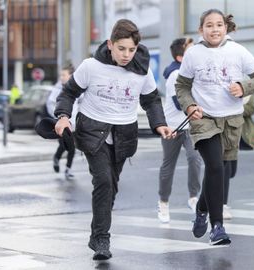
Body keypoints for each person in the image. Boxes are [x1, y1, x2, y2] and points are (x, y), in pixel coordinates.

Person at [54, 19, 174, 260]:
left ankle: (98, 230)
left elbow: (150, 100)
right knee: (104, 182)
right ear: (110, 44)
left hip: (124, 134)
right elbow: (68, 92)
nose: (126, 55)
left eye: (131, 49)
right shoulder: (91, 66)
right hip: (91, 132)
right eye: (121, 49)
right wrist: (63, 116)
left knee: (111, 186)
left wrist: (159, 124)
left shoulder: (142, 70)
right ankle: (101, 238)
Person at [176, 9, 254, 246]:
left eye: (219, 25)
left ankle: (201, 209)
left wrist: (243, 86)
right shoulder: (193, 54)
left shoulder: (237, 50)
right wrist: (189, 106)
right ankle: (217, 227)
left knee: (218, 170)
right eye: (209, 25)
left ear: (225, 28)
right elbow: (182, 86)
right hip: (203, 118)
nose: (214, 29)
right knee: (215, 166)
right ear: (201, 30)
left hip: (231, 120)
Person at [157, 37, 202, 223]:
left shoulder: (189, 72)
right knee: (169, 166)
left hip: (189, 126)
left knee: (195, 159)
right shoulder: (175, 75)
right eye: (189, 49)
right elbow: (179, 103)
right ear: (180, 56)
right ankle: (163, 202)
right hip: (173, 127)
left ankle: (193, 197)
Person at [223, 94, 254, 220]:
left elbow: (251, 108)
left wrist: (236, 108)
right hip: (224, 130)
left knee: (232, 172)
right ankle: (222, 205)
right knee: (223, 170)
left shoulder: (247, 90)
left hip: (238, 133)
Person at [46, 64, 78, 180]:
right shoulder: (58, 88)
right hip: (61, 123)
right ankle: (61, 162)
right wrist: (57, 117)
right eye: (61, 75)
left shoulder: (77, 87)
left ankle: (65, 166)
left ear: (71, 75)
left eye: (64, 75)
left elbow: (82, 102)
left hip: (73, 124)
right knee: (68, 146)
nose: (61, 77)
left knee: (69, 147)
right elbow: (50, 103)